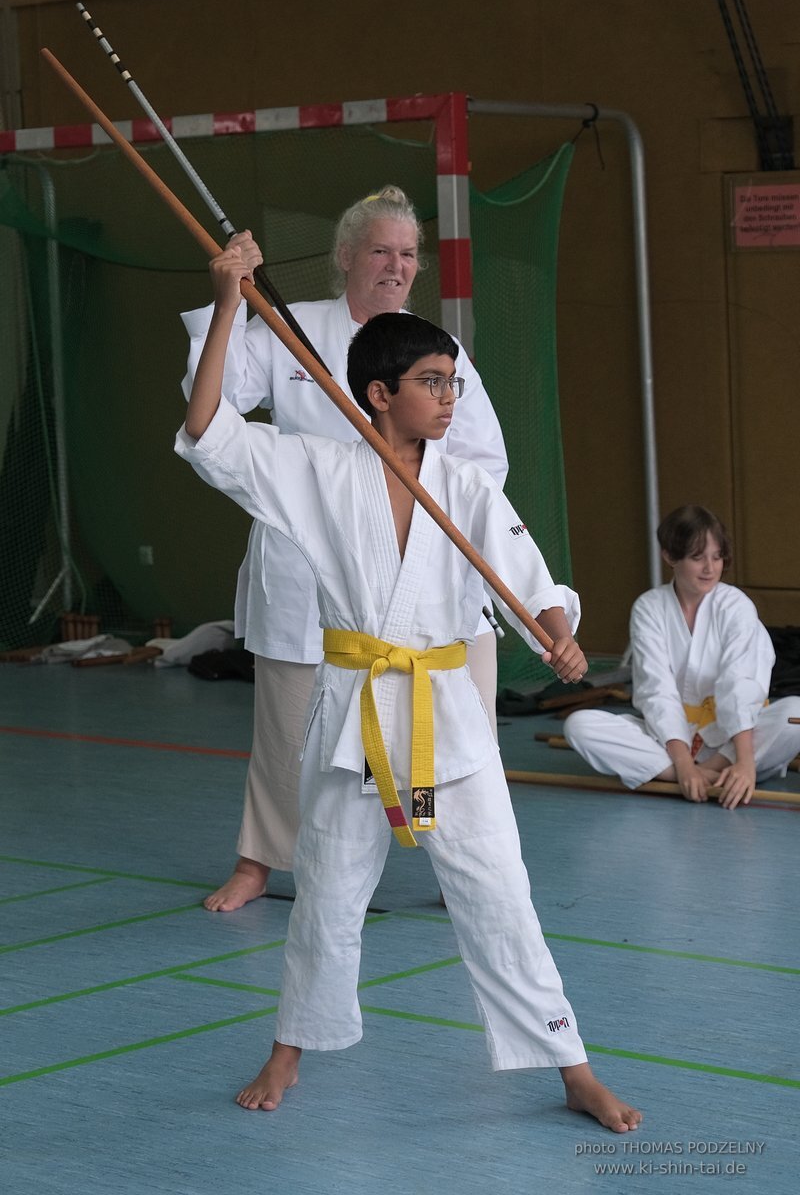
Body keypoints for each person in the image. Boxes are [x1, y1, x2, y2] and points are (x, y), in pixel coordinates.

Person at [174, 244, 642, 1133]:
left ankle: (571, 1063)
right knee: (329, 895)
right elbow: (209, 433)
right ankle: (287, 1051)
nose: (450, 399)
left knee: (499, 892)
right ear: (380, 394)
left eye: (454, 383)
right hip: (355, 719)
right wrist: (230, 302)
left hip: (448, 724)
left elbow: (531, 582)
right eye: (434, 382)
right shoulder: (317, 471)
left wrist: (561, 635)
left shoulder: (463, 486)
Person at [181, 186, 508, 912]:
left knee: (463, 729)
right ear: (345, 258)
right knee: (290, 731)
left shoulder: (434, 351)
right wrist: (230, 298)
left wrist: (405, 486)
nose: (396, 265)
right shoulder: (290, 329)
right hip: (310, 565)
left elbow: (486, 459)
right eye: (381, 250)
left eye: (408, 253)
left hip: (419, 567)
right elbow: (213, 410)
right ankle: (259, 863)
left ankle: (472, 868)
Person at [564, 505, 800, 809]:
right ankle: (696, 775)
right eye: (697, 557)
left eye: (717, 557)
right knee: (580, 726)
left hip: (734, 738)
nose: (710, 568)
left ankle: (725, 771)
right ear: (670, 556)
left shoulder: (735, 606)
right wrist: (686, 765)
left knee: (795, 714)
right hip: (671, 740)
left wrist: (743, 760)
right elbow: (656, 690)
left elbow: (739, 684)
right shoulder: (649, 608)